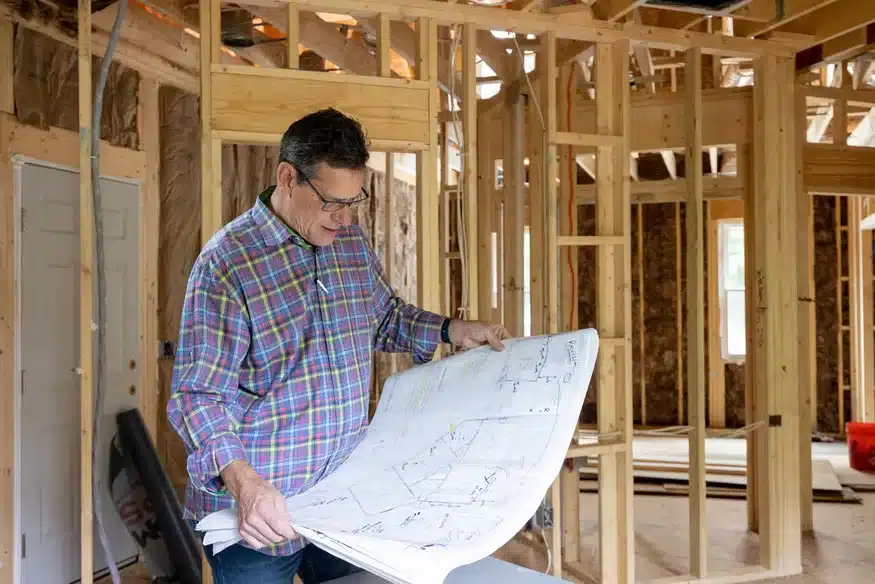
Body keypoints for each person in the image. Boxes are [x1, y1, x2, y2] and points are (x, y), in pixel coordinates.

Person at [167, 108, 510, 584]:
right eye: (332, 202)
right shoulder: (227, 264)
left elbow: (384, 319)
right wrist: (245, 483)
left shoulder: (349, 245)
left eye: (353, 202)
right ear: (289, 178)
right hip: (261, 516)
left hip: (343, 504)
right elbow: (197, 396)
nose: (344, 218)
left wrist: (453, 330)